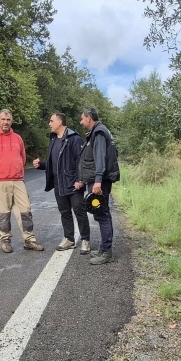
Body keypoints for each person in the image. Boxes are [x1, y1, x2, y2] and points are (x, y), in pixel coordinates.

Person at [0, 109, 44, 253]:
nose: (6, 122)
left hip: (18, 180)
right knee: (4, 212)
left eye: (8, 119)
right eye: (3, 119)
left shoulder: (17, 138)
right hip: (0, 181)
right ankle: (5, 240)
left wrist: (16, 170)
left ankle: (29, 240)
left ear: (12, 121)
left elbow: (22, 157)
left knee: (25, 210)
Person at [33, 113, 90, 254]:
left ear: (59, 122)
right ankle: (69, 239)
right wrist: (41, 165)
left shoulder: (74, 138)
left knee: (79, 211)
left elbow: (81, 161)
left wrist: (80, 180)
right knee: (64, 212)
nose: (49, 123)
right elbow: (54, 162)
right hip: (58, 183)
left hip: (73, 183)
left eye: (51, 121)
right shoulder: (53, 139)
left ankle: (85, 240)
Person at [77, 107, 120, 265]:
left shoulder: (99, 133)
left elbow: (100, 158)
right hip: (97, 179)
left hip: (100, 181)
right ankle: (103, 248)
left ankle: (107, 252)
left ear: (89, 118)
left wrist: (98, 181)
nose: (81, 122)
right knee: (101, 213)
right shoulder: (97, 131)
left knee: (102, 214)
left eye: (82, 119)